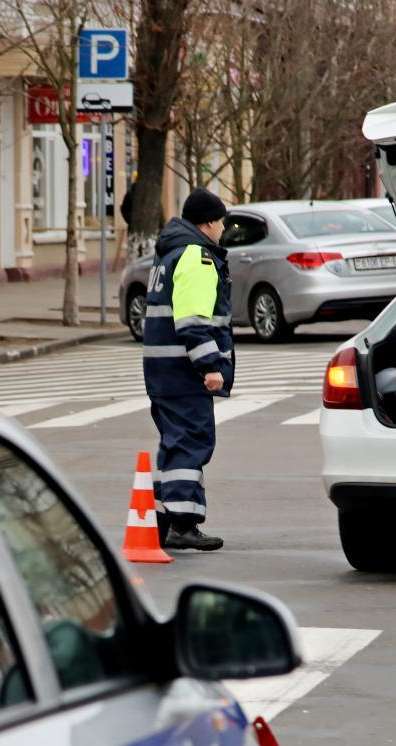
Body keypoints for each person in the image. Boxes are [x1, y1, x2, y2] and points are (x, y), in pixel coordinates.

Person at [141, 188, 235, 552]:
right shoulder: (196, 256)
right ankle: (183, 524)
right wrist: (210, 366)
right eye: (221, 221)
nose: (223, 228)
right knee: (192, 441)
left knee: (175, 443)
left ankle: (164, 520)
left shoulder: (168, 254)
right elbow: (193, 321)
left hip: (161, 369)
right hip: (184, 370)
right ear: (208, 222)